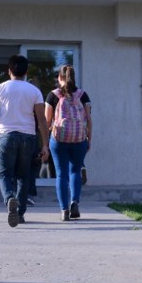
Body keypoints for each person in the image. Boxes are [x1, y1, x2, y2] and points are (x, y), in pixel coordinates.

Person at [0, 55, 50, 228]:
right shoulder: (34, 91)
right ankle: (19, 213)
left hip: (6, 135)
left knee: (4, 174)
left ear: (9, 70)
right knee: (24, 176)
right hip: (28, 136)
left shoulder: (0, 88)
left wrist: (0, 122)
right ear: (26, 72)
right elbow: (42, 120)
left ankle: (9, 199)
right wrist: (45, 145)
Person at [44, 65, 92, 221]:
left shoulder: (53, 95)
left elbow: (46, 121)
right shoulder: (83, 95)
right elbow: (89, 120)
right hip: (79, 140)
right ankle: (75, 202)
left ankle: (64, 210)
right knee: (75, 171)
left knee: (61, 174)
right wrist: (88, 140)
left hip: (58, 140)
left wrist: (45, 143)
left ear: (60, 77)